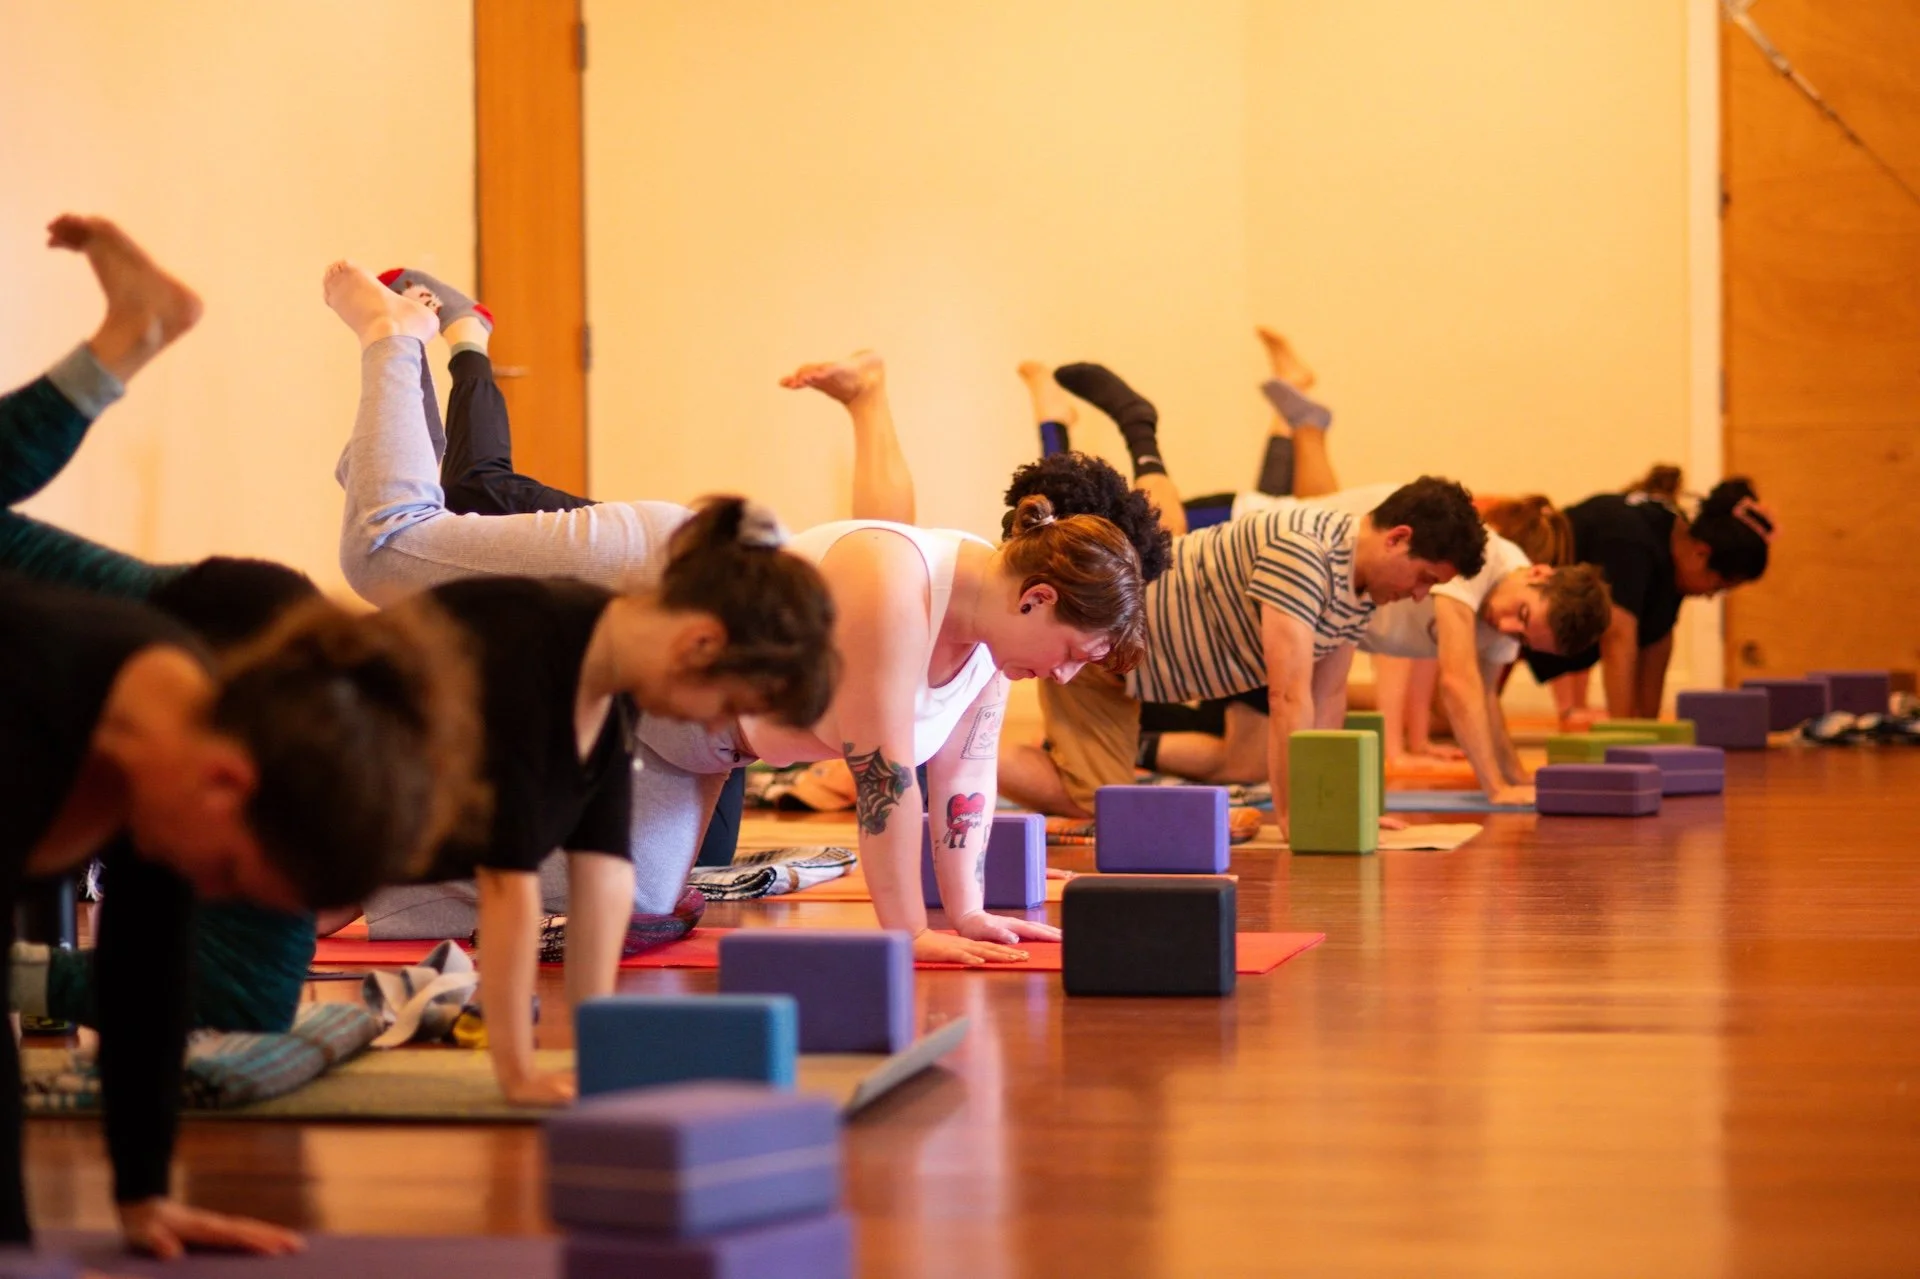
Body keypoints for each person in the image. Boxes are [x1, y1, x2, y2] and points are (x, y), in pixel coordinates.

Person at [331, 264, 1148, 964]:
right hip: (653, 582)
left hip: (693, 734)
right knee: (389, 554)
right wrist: (907, 934)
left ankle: (368, 869)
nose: (1069, 674)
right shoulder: (898, 581)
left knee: (632, 905)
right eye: (1077, 650)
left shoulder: (996, 648)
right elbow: (884, 776)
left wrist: (964, 911)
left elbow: (964, 781)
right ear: (1037, 598)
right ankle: (394, 335)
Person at [325, 263, 839, 1100]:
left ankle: (417, 371)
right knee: (382, 548)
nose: (731, 741)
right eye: (734, 708)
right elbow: (509, 893)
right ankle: (391, 337)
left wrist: (599, 1051)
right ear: (700, 645)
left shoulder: (608, 692)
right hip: (302, 760)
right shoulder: (546, 657)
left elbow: (603, 882)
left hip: (382, 770)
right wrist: (520, 1071)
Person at [993, 356, 1488, 838]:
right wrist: (1299, 819)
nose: (1420, 595)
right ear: (1398, 538)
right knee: (1100, 805)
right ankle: (951, 754)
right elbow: (1288, 695)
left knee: (1115, 800)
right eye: (1424, 578)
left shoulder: (1357, 585)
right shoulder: (1308, 552)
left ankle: (963, 756)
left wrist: (1340, 808)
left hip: (1132, 668)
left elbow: (1327, 696)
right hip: (1091, 647)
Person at [1526, 474, 1776, 723]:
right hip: (1529, 601)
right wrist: (1625, 738)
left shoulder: (1672, 553)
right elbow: (1617, 639)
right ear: (1701, 554)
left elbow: (1658, 642)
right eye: (1718, 585)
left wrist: (1649, 732)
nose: (1711, 596)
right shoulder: (1634, 543)